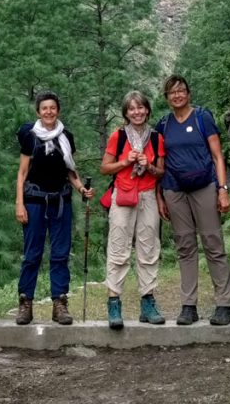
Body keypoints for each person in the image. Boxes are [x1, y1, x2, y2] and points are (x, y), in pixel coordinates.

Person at [156, 75, 230, 326]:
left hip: (204, 186)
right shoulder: (163, 125)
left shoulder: (203, 118)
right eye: (172, 92)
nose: (177, 95)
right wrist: (160, 197)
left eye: (181, 91)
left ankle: (224, 304)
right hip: (174, 190)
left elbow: (218, 156)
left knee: (213, 242)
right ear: (167, 98)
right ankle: (188, 306)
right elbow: (160, 164)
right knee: (185, 246)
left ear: (188, 94)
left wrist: (222, 189)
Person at [15, 91, 94, 325]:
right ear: (38, 112)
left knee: (60, 254)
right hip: (34, 201)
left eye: (52, 108)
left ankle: (59, 303)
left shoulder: (66, 136)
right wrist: (19, 203)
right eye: (44, 108)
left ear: (58, 110)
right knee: (32, 255)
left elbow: (70, 171)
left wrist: (81, 189)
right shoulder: (30, 136)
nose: (49, 112)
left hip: (61, 202)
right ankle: (25, 302)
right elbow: (22, 173)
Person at [100, 90, 167, 330]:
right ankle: (113, 302)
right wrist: (125, 162)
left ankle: (148, 302)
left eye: (140, 108)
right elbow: (105, 168)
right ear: (126, 113)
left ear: (147, 110)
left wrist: (147, 166)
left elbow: (161, 171)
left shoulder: (157, 138)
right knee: (118, 248)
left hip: (148, 195)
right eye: (132, 109)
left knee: (149, 249)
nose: (137, 112)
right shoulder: (118, 137)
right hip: (123, 194)